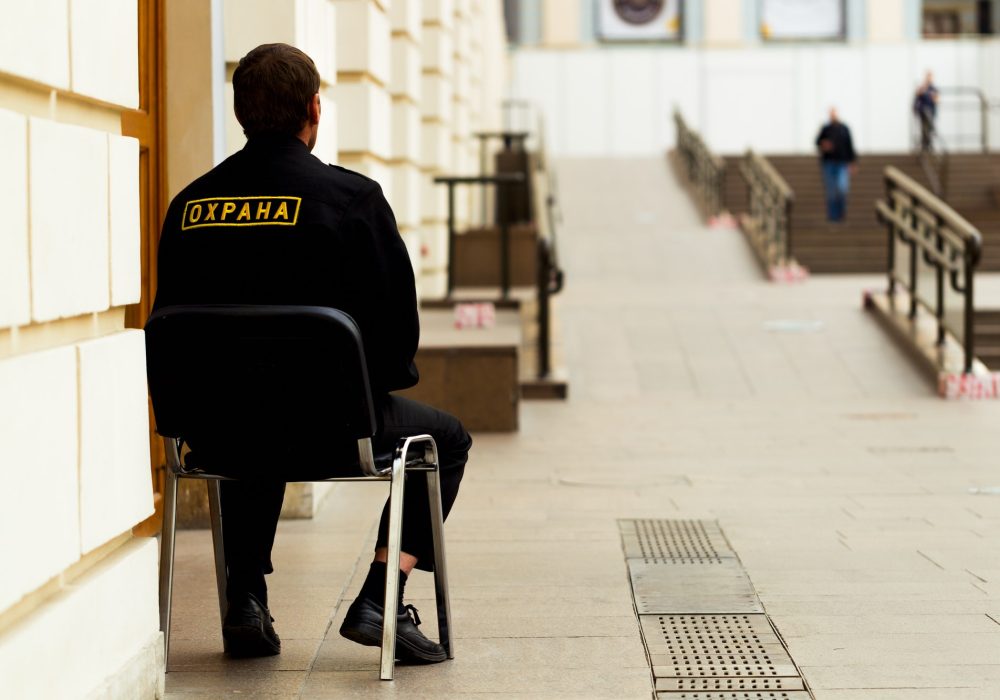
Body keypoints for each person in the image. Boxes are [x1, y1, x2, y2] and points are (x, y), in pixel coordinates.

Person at [151, 43, 470, 664]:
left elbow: (176, 332)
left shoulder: (189, 206)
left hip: (215, 436)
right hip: (332, 430)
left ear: (240, 111)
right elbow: (396, 339)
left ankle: (244, 599)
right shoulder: (351, 201)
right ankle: (380, 597)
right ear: (314, 109)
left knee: (246, 409)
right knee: (447, 440)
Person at [815, 108, 857, 223]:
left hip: (842, 163)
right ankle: (833, 216)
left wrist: (852, 162)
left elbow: (850, 146)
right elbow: (817, 142)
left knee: (842, 189)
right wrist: (824, 144)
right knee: (831, 191)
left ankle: (841, 212)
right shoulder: (826, 129)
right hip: (829, 163)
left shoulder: (844, 129)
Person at [914, 71, 939, 151]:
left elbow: (936, 100)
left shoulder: (933, 89)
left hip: (931, 112)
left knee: (929, 129)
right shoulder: (922, 88)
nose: (929, 79)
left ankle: (928, 144)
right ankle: (924, 145)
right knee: (924, 129)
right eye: (928, 77)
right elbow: (917, 96)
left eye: (930, 77)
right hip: (923, 112)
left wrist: (934, 97)